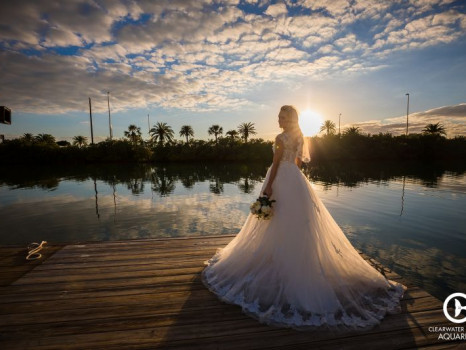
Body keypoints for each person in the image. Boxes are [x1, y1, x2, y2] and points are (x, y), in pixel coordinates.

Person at [201, 105, 407, 331]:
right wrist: (295, 181)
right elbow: (298, 162)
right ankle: (295, 259)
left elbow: (277, 162)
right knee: (298, 223)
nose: (278, 119)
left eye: (281, 116)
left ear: (288, 119)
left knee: (275, 219)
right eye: (279, 116)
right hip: (296, 181)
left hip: (279, 178)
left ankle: (281, 260)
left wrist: (269, 186)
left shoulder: (280, 137)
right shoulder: (300, 136)